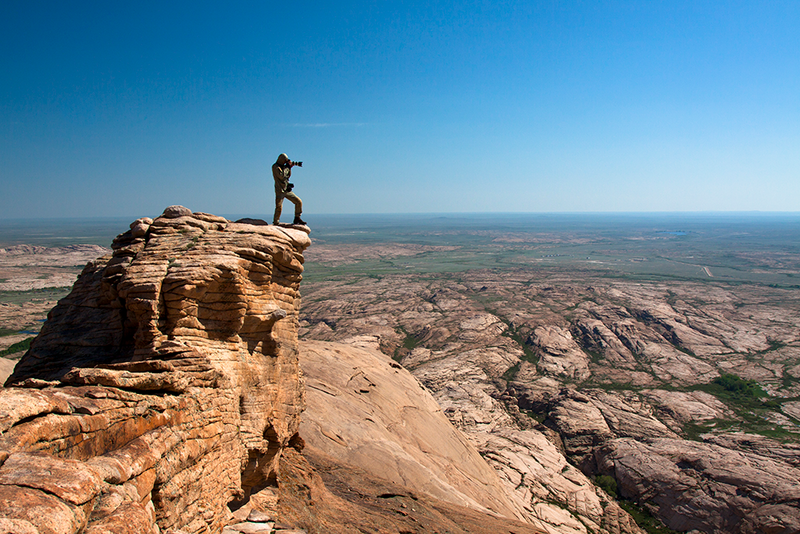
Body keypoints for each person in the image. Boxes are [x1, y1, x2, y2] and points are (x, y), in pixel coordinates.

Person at [272, 153, 306, 225]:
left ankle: (297, 218)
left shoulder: (284, 167)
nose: (285, 162)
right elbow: (281, 176)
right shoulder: (275, 167)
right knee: (279, 206)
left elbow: (287, 176)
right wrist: (287, 167)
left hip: (286, 189)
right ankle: (276, 221)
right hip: (280, 190)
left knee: (298, 202)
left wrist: (289, 168)